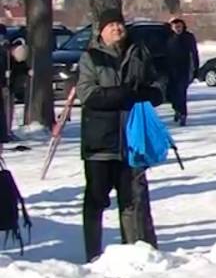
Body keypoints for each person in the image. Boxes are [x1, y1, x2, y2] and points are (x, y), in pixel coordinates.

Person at [75, 16, 164, 261]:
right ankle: (92, 254)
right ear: (101, 32)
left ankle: (132, 252)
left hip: (132, 142)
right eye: (110, 25)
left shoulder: (138, 54)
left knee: (131, 202)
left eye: (119, 25)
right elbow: (88, 95)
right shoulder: (91, 58)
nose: (116, 28)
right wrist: (124, 94)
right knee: (95, 200)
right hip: (100, 141)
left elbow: (157, 88)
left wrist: (147, 93)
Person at [164, 17, 200, 126]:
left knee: (181, 92)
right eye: (175, 27)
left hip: (184, 69)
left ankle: (183, 114)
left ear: (183, 27)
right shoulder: (168, 37)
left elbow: (194, 53)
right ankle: (177, 110)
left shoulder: (188, 37)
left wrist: (196, 68)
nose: (177, 29)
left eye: (179, 26)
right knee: (172, 93)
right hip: (170, 69)